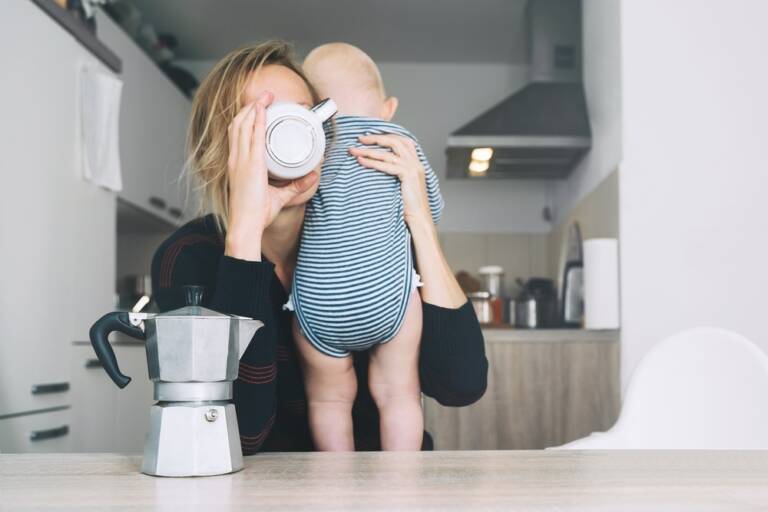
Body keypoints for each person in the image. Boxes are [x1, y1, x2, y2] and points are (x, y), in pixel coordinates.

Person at [151, 40, 488, 453]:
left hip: (391, 480)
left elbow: (461, 385)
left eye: (304, 115)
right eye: (265, 122)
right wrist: (244, 234)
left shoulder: (373, 232)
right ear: (218, 152)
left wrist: (418, 219)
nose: (294, 134)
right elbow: (240, 434)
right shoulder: (186, 258)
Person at [284, 42, 442, 451]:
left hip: (321, 302)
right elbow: (430, 210)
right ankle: (401, 481)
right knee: (400, 395)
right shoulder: (399, 141)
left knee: (329, 398)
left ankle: (337, 483)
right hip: (386, 297)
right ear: (388, 106)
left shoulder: (311, 145)